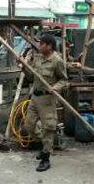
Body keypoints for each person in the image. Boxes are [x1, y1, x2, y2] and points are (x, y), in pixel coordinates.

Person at [22, 35, 68, 172]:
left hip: (47, 99)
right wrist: (24, 67)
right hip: (35, 98)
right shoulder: (37, 58)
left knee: (48, 128)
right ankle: (44, 147)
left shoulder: (57, 61)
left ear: (49, 46)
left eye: (42, 44)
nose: (39, 46)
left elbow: (64, 80)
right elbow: (30, 77)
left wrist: (55, 87)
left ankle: (46, 158)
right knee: (28, 126)